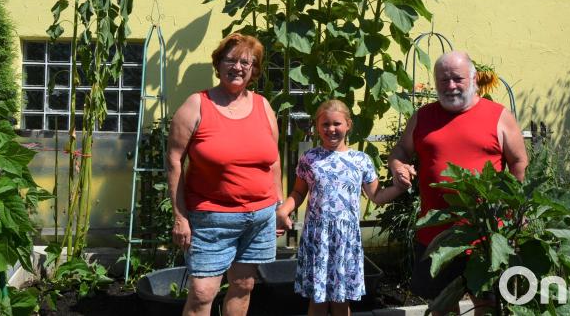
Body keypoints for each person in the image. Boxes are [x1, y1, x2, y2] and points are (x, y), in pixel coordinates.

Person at [387, 51, 528, 313]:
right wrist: (398, 166)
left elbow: (519, 162)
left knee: (487, 305)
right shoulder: (423, 116)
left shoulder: (498, 116)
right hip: (436, 236)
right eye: (443, 80)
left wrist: (516, 210)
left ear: (474, 79)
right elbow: (400, 152)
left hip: (484, 235)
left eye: (457, 79)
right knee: (441, 305)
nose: (450, 86)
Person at [166, 33, 282, 316]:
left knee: (243, 284)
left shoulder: (263, 106)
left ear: (254, 69)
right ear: (218, 65)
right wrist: (180, 217)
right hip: (211, 219)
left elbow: (274, 159)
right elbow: (174, 161)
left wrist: (278, 202)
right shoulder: (197, 105)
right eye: (230, 60)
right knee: (202, 293)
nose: (238, 67)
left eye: (246, 62)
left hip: (259, 217)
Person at [276, 99, 412, 316]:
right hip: (317, 238)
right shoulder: (309, 159)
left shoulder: (361, 160)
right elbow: (299, 192)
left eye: (337, 124)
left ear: (348, 125)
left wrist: (399, 187)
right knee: (317, 300)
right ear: (317, 127)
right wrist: (283, 210)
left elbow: (376, 196)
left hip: (345, 240)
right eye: (325, 124)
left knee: (341, 301)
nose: (331, 129)